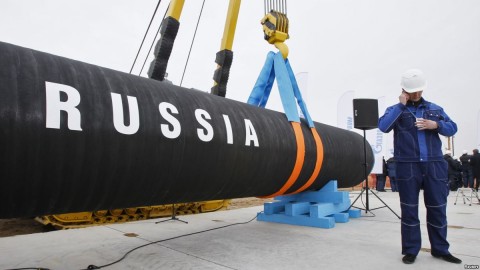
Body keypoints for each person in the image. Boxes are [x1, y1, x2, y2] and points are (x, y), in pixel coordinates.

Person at [378, 68, 461, 264]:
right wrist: (400, 105)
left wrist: (436, 125)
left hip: (434, 165)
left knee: (437, 208)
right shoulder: (395, 110)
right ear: (404, 90)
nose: (417, 94)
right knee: (409, 209)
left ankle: (440, 249)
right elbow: (383, 126)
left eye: (419, 91)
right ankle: (411, 250)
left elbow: (453, 127)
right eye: (413, 91)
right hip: (408, 166)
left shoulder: (435, 109)